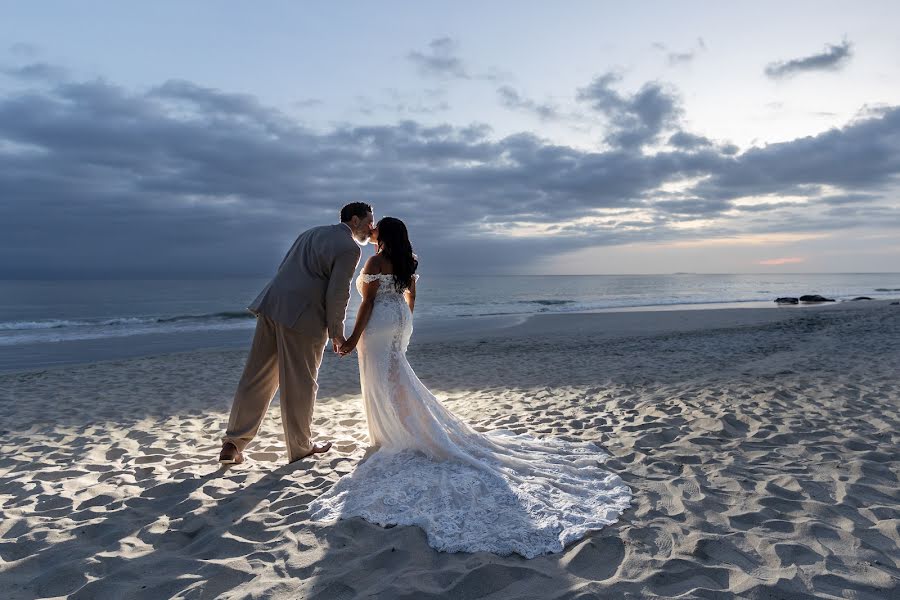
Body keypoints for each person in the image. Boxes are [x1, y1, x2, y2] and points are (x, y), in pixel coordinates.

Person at [309, 217, 632, 557]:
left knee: (382, 379)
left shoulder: (376, 261)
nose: (371, 232)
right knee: (396, 376)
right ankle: (397, 429)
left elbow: (368, 303)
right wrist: (405, 326)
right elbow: (410, 296)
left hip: (379, 324)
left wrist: (351, 338)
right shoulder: (408, 260)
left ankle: (391, 434)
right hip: (400, 320)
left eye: (376, 229)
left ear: (385, 235)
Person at [218, 202, 374, 465]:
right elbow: (338, 292)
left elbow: (285, 268)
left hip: (272, 306)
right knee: (300, 384)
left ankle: (232, 444)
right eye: (370, 221)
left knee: (256, 378)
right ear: (356, 220)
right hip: (304, 318)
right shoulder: (349, 248)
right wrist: (337, 332)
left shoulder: (310, 233)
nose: (372, 228)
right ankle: (300, 447)